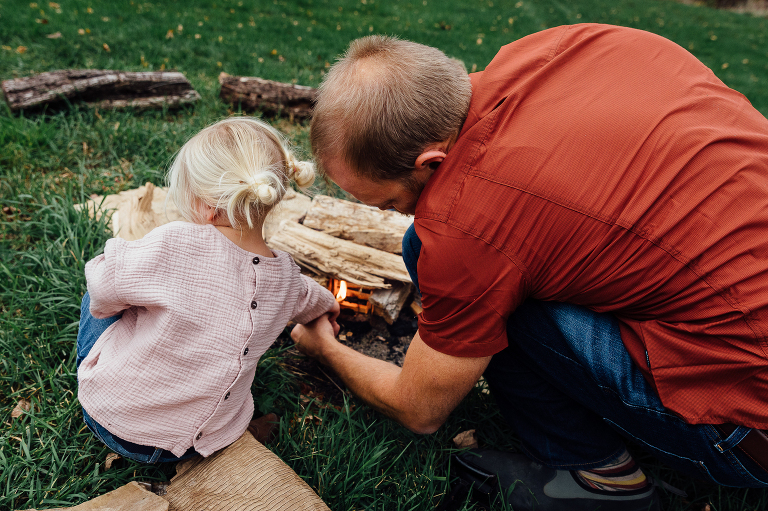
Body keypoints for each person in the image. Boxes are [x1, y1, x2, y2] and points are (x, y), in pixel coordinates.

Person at [292, 23, 768, 510]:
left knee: (468, 279)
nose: (391, 214)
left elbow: (419, 410)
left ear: (432, 163)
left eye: (390, 202)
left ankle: (602, 480)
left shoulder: (468, 226)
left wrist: (323, 347)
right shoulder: (578, 43)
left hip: (748, 431)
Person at [77, 117, 340, 464]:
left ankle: (110, 374)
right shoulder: (288, 279)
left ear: (205, 205)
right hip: (198, 444)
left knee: (99, 302)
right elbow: (308, 297)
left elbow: (102, 282)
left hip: (113, 419)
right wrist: (330, 305)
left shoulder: (176, 241)